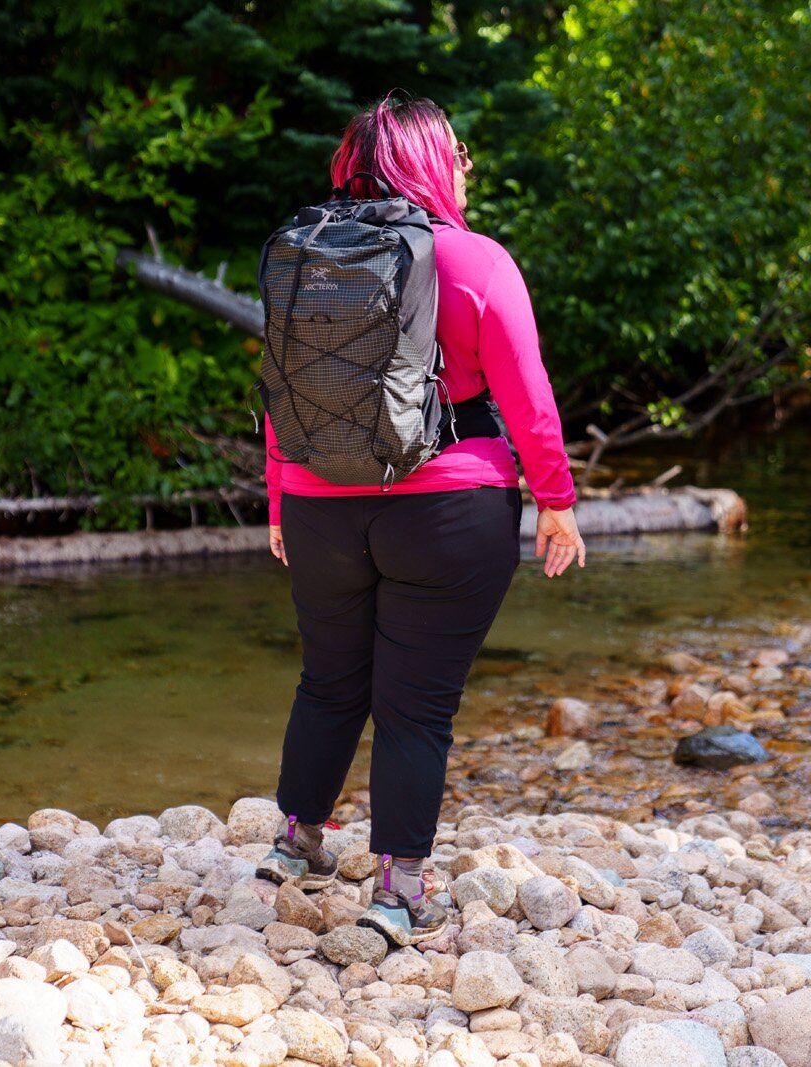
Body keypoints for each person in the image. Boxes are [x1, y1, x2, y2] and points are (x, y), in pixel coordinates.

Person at [255, 92, 585, 947]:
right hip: (450, 506)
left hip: (320, 503)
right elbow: (528, 395)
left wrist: (280, 492)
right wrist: (556, 501)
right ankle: (400, 891)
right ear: (433, 161)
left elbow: (284, 389)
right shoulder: (474, 261)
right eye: (461, 153)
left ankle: (297, 841)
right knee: (416, 707)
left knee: (330, 678)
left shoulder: (307, 255)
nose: (468, 167)